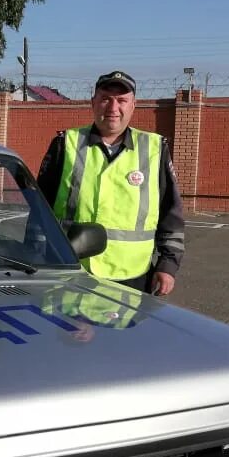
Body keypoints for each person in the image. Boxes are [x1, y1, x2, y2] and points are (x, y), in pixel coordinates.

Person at [35, 70, 184, 296]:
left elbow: (170, 213)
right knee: (67, 332)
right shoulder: (66, 144)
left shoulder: (154, 149)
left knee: (127, 333)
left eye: (122, 100)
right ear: (93, 103)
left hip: (133, 276)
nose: (113, 108)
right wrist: (36, 259)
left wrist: (167, 265)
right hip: (72, 272)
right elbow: (39, 210)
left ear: (133, 105)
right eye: (106, 99)